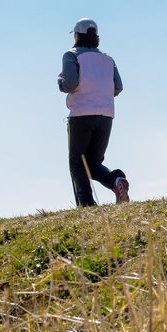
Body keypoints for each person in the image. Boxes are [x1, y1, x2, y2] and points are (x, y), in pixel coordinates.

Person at [57, 18, 130, 208]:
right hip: (106, 116)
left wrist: (60, 82)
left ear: (76, 35)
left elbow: (70, 84)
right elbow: (118, 87)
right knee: (94, 163)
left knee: (77, 163)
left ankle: (86, 206)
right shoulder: (108, 59)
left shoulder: (71, 55)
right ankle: (115, 180)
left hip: (81, 115)